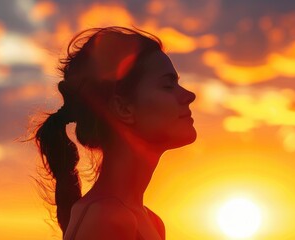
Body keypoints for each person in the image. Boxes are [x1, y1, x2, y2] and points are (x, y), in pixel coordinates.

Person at [34, 26, 196, 240]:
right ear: (123, 108)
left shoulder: (150, 221)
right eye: (167, 86)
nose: (189, 95)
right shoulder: (107, 218)